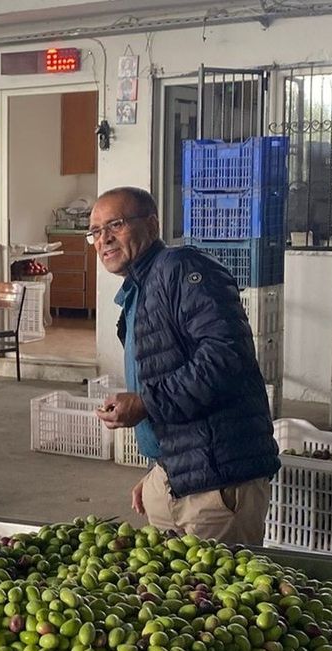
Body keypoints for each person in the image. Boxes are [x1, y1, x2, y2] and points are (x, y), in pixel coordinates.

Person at [90, 186, 280, 544]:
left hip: (217, 481)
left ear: (152, 224)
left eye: (115, 225)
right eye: (96, 232)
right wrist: (160, 471)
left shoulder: (183, 270)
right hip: (175, 477)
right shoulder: (139, 289)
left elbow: (225, 359)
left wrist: (146, 403)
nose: (104, 239)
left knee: (220, 595)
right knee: (171, 594)